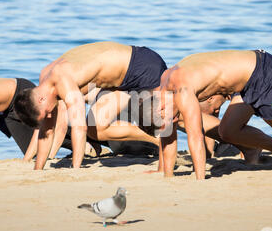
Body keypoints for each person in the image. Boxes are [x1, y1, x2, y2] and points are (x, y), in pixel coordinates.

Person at [157, 49, 272, 179]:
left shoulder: (181, 88)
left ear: (161, 107)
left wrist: (199, 180)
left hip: (262, 72)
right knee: (228, 131)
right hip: (248, 79)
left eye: (171, 118)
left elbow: (195, 135)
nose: (173, 120)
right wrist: (167, 175)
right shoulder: (164, 84)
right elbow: (167, 138)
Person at [14, 41, 168, 171]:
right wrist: (37, 169)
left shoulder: (63, 80)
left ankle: (172, 139)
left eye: (46, 113)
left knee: (171, 118)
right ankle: (155, 140)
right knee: (95, 129)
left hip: (142, 67)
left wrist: (75, 169)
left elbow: (79, 128)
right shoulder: (45, 80)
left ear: (40, 99)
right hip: (119, 82)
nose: (49, 116)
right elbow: (46, 130)